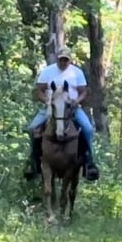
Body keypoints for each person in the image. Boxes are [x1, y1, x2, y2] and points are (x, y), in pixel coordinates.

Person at [24, 47, 99, 181]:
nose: (63, 62)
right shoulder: (47, 72)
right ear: (57, 59)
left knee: (87, 128)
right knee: (32, 128)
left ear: (70, 60)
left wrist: (77, 101)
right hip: (51, 107)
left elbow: (84, 91)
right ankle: (33, 161)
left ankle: (89, 161)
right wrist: (46, 100)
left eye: (66, 60)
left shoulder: (77, 73)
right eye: (61, 59)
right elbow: (39, 90)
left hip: (72, 108)